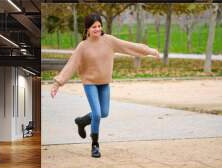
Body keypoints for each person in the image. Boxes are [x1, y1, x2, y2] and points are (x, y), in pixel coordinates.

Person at [50, 13, 161, 158]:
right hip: (90, 83)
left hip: (104, 83)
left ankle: (82, 121)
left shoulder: (109, 40)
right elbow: (71, 65)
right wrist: (57, 83)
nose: (97, 29)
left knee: (104, 113)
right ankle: (95, 145)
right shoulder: (82, 46)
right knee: (97, 113)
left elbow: (129, 46)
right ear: (87, 29)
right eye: (93, 27)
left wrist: (150, 51)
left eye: (99, 26)